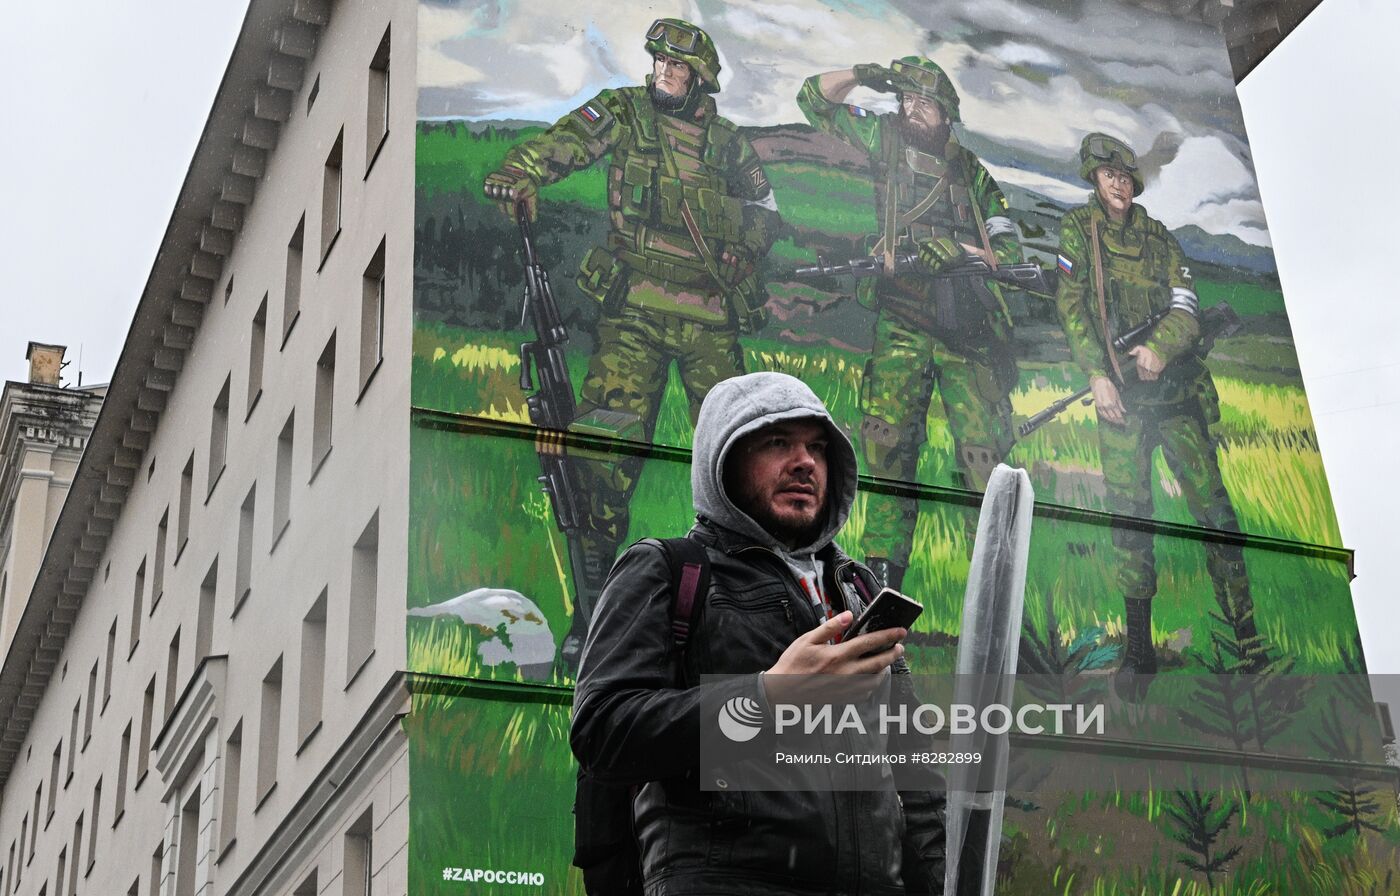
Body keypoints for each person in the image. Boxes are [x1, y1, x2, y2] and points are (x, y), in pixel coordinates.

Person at [571, 371, 946, 894]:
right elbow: (602, 731)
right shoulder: (667, 569)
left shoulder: (856, 589)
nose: (805, 462)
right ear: (723, 461)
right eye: (777, 442)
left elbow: (917, 777)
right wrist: (769, 695)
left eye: (818, 447)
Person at [484, 19, 782, 670]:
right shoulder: (624, 113)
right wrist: (521, 171)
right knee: (600, 459)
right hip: (635, 311)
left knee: (743, 463)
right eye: (658, 64)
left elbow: (766, 214)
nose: (661, 75)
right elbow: (566, 143)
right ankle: (593, 617)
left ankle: (750, 618)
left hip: (708, 316)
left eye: (675, 68)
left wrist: (736, 242)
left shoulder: (728, 145)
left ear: (699, 78)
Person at [797, 57, 1024, 591]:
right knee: (888, 452)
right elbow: (813, 98)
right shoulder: (884, 140)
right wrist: (857, 72)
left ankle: (992, 590)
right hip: (903, 321)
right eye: (904, 99)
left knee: (981, 460)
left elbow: (1009, 248)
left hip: (965, 334)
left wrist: (964, 250)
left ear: (946, 111)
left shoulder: (972, 175)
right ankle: (880, 593)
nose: (910, 109)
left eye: (922, 101)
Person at [1053, 132, 1266, 691]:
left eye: (1125, 176)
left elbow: (1186, 307)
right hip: (1121, 401)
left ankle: (1246, 641)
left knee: (1215, 513)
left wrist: (1161, 346)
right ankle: (1139, 651)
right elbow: (1071, 308)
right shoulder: (1079, 233)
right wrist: (1098, 375)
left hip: (1175, 397)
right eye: (1108, 175)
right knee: (1130, 519)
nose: (1118, 184)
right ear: (1094, 181)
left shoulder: (1160, 238)